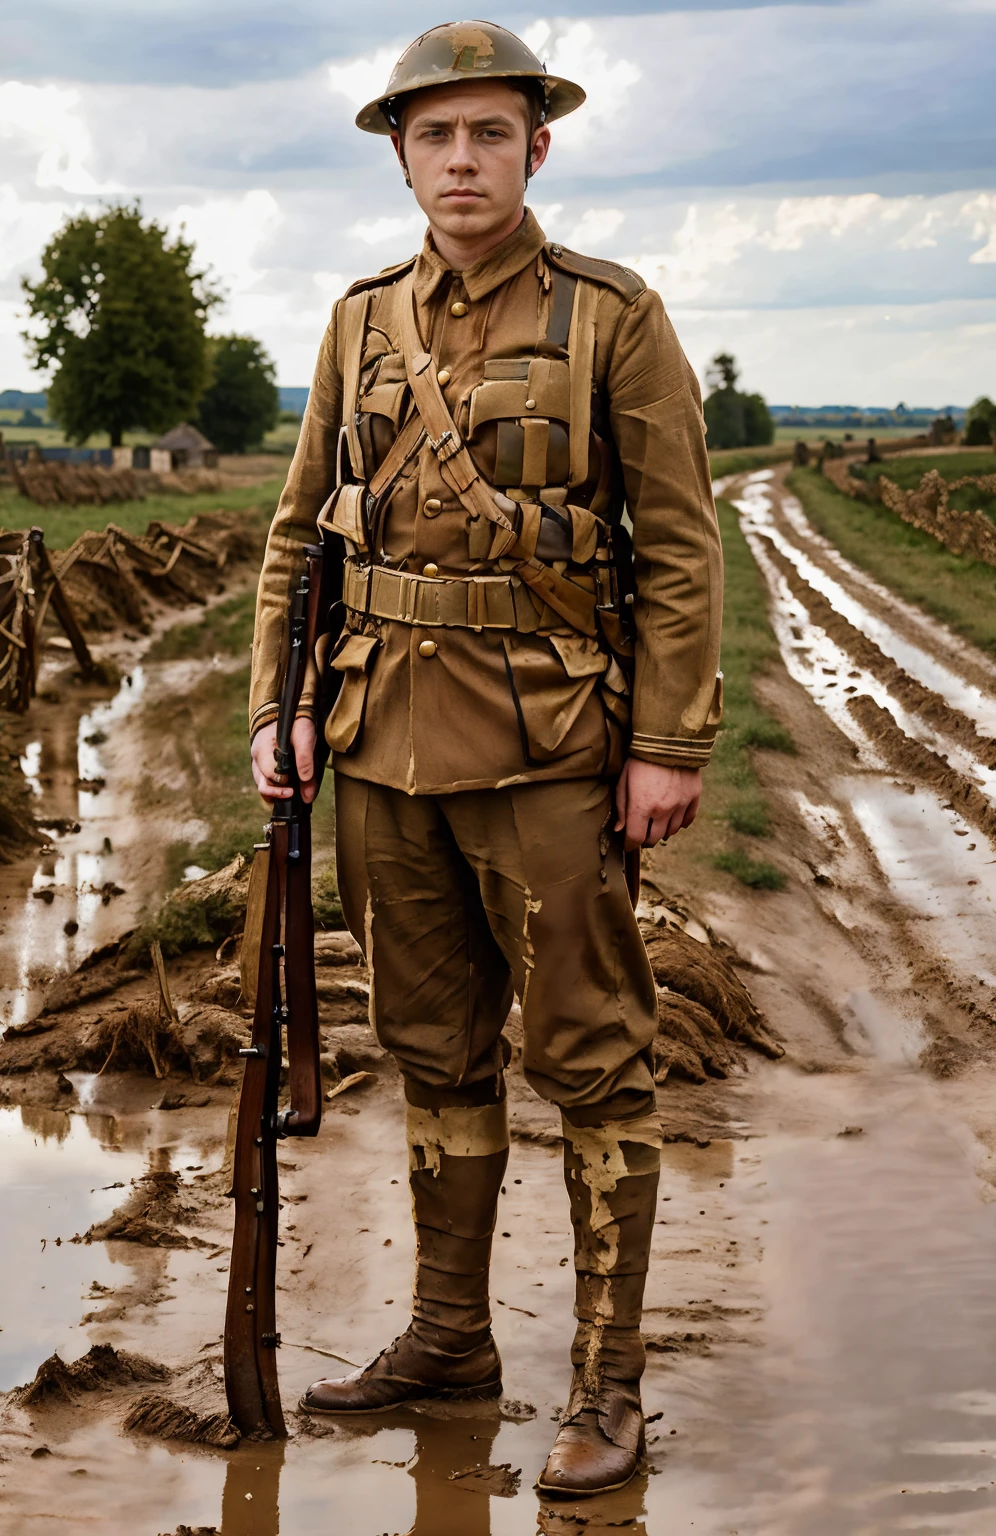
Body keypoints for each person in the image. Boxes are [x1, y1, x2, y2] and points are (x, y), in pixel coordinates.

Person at [249, 20, 723, 1497]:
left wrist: (665, 742)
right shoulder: (358, 319)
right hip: (382, 746)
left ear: (537, 150)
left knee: (589, 1061)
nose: (463, 160)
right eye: (436, 136)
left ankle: (610, 1381)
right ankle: (451, 1337)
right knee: (431, 1053)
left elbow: (684, 545)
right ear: (401, 153)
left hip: (553, 749)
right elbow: (294, 531)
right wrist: (278, 709)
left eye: (491, 135)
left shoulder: (611, 316)